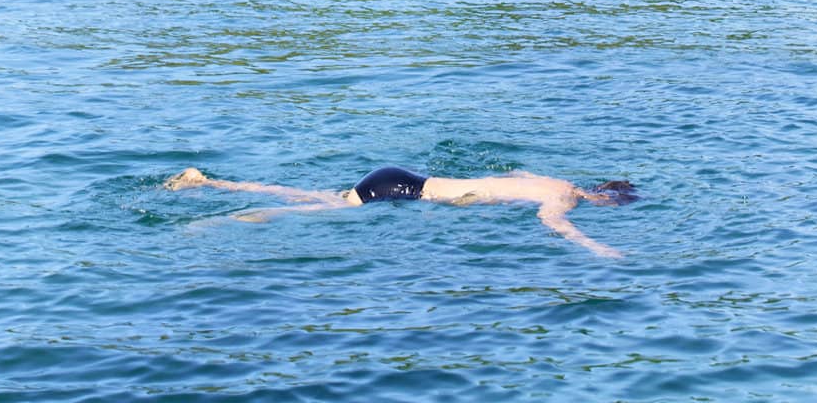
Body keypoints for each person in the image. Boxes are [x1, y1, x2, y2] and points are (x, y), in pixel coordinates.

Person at [164, 163, 634, 258]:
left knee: (323, 197)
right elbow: (552, 222)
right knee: (319, 211)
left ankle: (207, 182)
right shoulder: (564, 197)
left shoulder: (547, 178)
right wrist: (597, 248)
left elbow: (506, 173)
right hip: (407, 193)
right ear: (605, 197)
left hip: (399, 175)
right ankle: (243, 217)